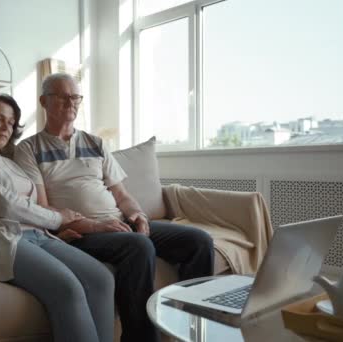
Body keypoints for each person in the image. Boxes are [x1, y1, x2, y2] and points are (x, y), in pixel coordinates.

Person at [14, 73, 215, 342]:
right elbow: (44, 210)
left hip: (120, 223)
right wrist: (95, 225)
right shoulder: (29, 148)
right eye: (62, 97)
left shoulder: (95, 144)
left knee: (199, 241)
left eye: (75, 97)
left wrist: (138, 215)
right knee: (138, 246)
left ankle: (192, 330)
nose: (70, 103)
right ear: (43, 101)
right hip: (79, 233)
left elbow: (121, 194)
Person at [0, 91, 114, 342]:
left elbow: (33, 205)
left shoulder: (10, 164)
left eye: (11, 122)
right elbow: (5, 204)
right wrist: (58, 220)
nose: (7, 127)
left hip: (36, 235)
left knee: (101, 279)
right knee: (67, 288)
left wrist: (55, 229)